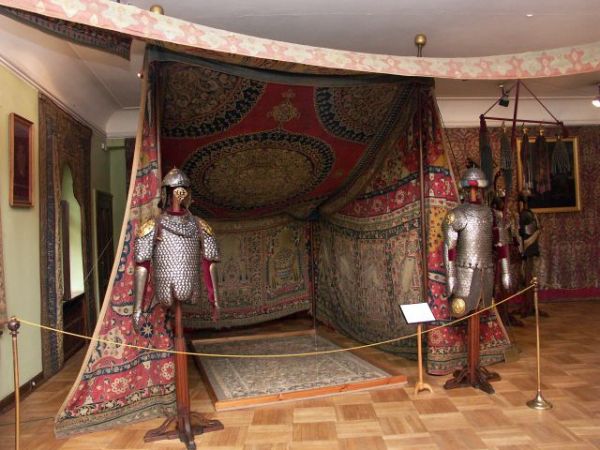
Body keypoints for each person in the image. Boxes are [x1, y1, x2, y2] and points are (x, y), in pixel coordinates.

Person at [132, 167, 220, 331]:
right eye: (175, 190)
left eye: (183, 190)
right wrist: (137, 310)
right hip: (164, 285)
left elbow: (210, 263)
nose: (180, 194)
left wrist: (215, 302)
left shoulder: (200, 225)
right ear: (166, 193)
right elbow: (142, 267)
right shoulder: (152, 226)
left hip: (190, 284)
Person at [443, 167, 511, 319]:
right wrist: (451, 276)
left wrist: (506, 272)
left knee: (483, 309)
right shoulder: (457, 214)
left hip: (486, 270)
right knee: (462, 308)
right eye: (471, 188)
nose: (474, 191)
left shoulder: (493, 215)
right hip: (464, 271)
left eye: (476, 188)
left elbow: (502, 246)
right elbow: (449, 249)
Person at [518, 189, 543, 318]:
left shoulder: (528, 213)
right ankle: (528, 305)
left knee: (531, 275)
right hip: (528, 247)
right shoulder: (525, 214)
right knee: (527, 277)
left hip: (531, 247)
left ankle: (531, 305)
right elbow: (525, 233)